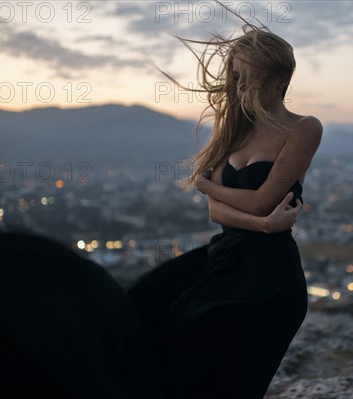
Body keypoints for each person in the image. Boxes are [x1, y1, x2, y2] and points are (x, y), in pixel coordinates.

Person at [128, 22, 322, 399]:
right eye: (236, 77)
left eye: (252, 78)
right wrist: (262, 225)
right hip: (226, 259)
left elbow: (262, 200)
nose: (241, 87)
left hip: (270, 280)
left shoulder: (304, 128)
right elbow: (217, 214)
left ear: (282, 80)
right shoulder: (234, 126)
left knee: (229, 381)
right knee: (145, 306)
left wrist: (207, 186)